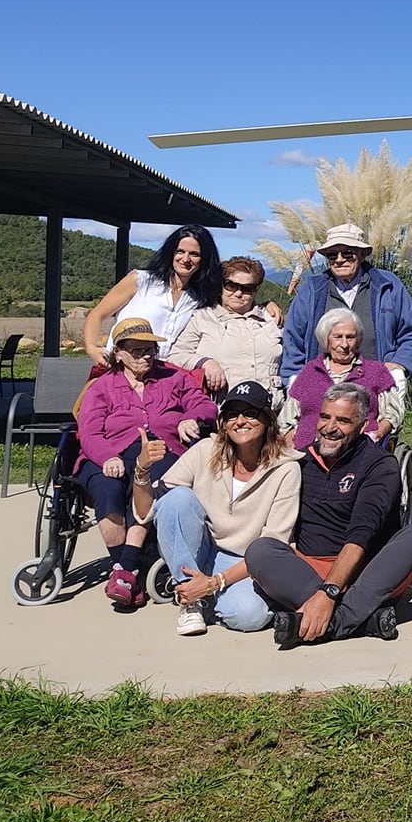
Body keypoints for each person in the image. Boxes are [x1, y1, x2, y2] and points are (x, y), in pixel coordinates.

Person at [244, 383, 412, 647]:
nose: (330, 427)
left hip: (364, 572)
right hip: (309, 572)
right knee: (260, 551)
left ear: (362, 424)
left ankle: (329, 622)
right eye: (325, 417)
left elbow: (360, 537)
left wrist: (329, 592)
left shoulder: (380, 466)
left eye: (343, 420)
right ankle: (361, 621)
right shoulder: (301, 461)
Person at [132, 380, 301, 635]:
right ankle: (191, 599)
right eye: (232, 414)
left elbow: (272, 547)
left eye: (250, 412)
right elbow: (151, 509)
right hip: (201, 548)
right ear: (223, 422)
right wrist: (142, 470)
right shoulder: (205, 450)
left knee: (251, 617)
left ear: (267, 419)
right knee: (177, 498)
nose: (240, 420)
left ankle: (204, 594)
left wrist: (216, 583)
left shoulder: (287, 469)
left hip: (246, 561)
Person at [75, 317, 217, 610]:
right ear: (119, 354)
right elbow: (88, 432)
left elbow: (206, 406)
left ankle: (125, 572)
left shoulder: (173, 379)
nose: (146, 356)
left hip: (161, 450)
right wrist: (107, 457)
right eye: (137, 351)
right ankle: (129, 569)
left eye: (150, 350)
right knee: (106, 490)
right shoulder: (102, 387)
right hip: (109, 455)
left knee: (155, 478)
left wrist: (191, 418)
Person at [279, 223, 412, 386]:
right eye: (332, 255)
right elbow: (293, 340)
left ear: (363, 254)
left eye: (348, 253)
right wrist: (295, 382)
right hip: (322, 392)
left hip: (378, 388)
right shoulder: (312, 290)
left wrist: (400, 365)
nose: (340, 259)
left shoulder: (388, 286)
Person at [82, 226, 222, 364]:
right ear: (171, 253)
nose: (185, 259)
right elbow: (97, 314)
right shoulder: (141, 281)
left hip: (163, 376)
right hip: (122, 370)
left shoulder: (200, 298)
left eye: (194, 254)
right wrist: (91, 347)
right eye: (180, 251)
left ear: (204, 259)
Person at [165, 256, 284, 406]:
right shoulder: (202, 318)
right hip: (221, 410)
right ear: (221, 285)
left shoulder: (272, 319)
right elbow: (176, 356)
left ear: (256, 290)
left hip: (269, 412)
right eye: (231, 285)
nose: (238, 293)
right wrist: (204, 362)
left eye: (247, 288)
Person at [281, 308, 401, 450]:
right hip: (308, 449)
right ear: (326, 339)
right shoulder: (310, 372)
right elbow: (286, 419)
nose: (344, 345)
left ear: (358, 340)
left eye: (350, 337)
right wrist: (289, 441)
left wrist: (379, 433)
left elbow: (393, 414)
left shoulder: (376, 372)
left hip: (358, 449)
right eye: (337, 337)